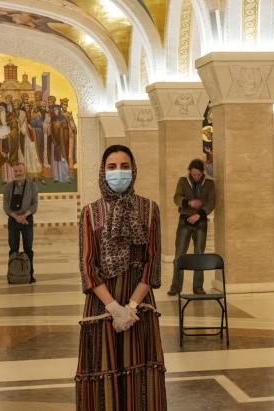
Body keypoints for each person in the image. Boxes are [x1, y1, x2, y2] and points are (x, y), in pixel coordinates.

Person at [75, 145, 166, 410]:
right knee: (103, 373)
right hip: (102, 306)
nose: (119, 172)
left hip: (138, 306)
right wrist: (114, 309)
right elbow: (88, 265)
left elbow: (153, 262)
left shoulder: (149, 209)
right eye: (112, 167)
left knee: (139, 375)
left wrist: (130, 308)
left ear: (134, 169)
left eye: (124, 166)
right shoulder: (91, 212)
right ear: (103, 172)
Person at [168, 159, 216, 296]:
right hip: (185, 220)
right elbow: (176, 197)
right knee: (179, 254)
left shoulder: (209, 183)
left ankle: (198, 287)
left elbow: (212, 202)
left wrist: (200, 214)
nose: (196, 177)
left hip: (200, 221)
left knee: (199, 254)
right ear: (190, 171)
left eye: (199, 175)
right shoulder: (183, 181)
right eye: (194, 174)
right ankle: (175, 287)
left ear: (203, 172)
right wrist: (188, 202)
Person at [3, 162, 38, 284]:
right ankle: (13, 274)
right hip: (13, 220)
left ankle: (29, 274)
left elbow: (34, 205)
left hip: (27, 220)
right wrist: (16, 217)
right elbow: (6, 207)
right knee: (13, 248)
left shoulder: (32, 186)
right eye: (16, 171)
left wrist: (24, 216)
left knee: (28, 248)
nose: (18, 173)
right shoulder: (8, 187)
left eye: (20, 171)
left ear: (25, 171)